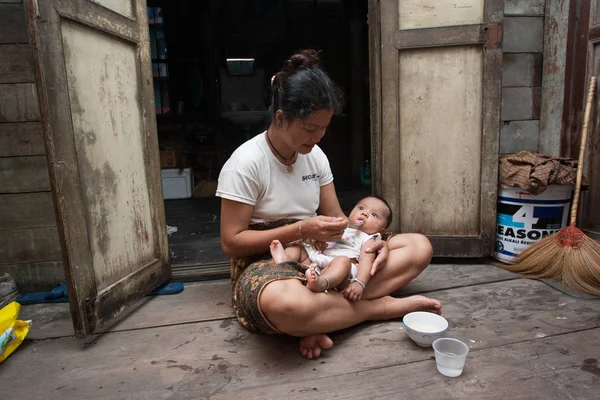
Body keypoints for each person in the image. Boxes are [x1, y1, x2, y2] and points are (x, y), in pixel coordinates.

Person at [217, 49, 441, 359]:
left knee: (418, 247)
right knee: (287, 304)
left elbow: (338, 220)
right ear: (281, 118)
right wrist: (301, 229)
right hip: (270, 263)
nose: (319, 137)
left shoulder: (315, 156)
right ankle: (377, 308)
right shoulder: (246, 163)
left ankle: (328, 312)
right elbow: (231, 242)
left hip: (324, 257)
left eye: (325, 127)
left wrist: (374, 244)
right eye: (310, 128)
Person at [269, 195, 393, 302]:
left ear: (382, 230)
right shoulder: (341, 226)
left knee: (343, 261)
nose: (365, 213)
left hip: (341, 271)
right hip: (319, 261)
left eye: (374, 214)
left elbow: (366, 262)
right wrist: (319, 243)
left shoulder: (369, 238)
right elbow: (323, 239)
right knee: (299, 248)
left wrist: (359, 283)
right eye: (361, 208)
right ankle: (286, 261)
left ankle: (322, 282)